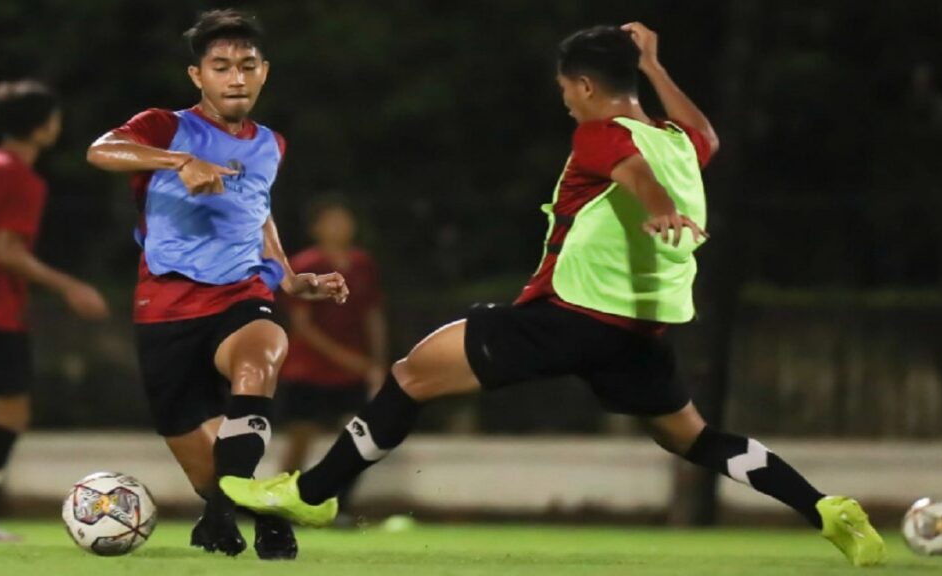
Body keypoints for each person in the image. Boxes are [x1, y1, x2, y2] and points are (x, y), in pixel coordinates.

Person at [221, 23, 886, 567]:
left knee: (410, 373)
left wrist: (655, 206)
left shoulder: (601, 135)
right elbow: (705, 134)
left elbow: (630, 175)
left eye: (568, 88)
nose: (566, 99)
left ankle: (313, 494)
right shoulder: (680, 142)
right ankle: (825, 509)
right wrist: (654, 64)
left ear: (586, 85)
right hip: (637, 335)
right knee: (695, 438)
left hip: (568, 315)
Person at [85, 9, 348, 560]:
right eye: (222, 66)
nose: (236, 77)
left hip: (242, 292)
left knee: (260, 360)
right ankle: (247, 513)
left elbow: (259, 210)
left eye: (247, 66)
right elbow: (101, 150)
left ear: (264, 72)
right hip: (165, 304)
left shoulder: (271, 144)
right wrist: (178, 160)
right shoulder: (165, 126)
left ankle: (235, 514)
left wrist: (292, 278)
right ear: (197, 76)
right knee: (202, 464)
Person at [0, 80, 109, 540]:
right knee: (9, 417)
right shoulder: (19, 177)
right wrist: (70, 286)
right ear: (43, 126)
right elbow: (7, 252)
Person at [278, 196, 387, 522]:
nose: (340, 227)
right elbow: (302, 326)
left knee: (362, 438)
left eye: (344, 219)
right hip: (308, 369)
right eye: (332, 220)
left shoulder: (363, 263)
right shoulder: (304, 264)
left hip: (353, 372)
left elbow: (373, 313)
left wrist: (376, 363)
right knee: (300, 437)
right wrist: (348, 359)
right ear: (316, 228)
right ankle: (283, 504)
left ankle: (339, 505)